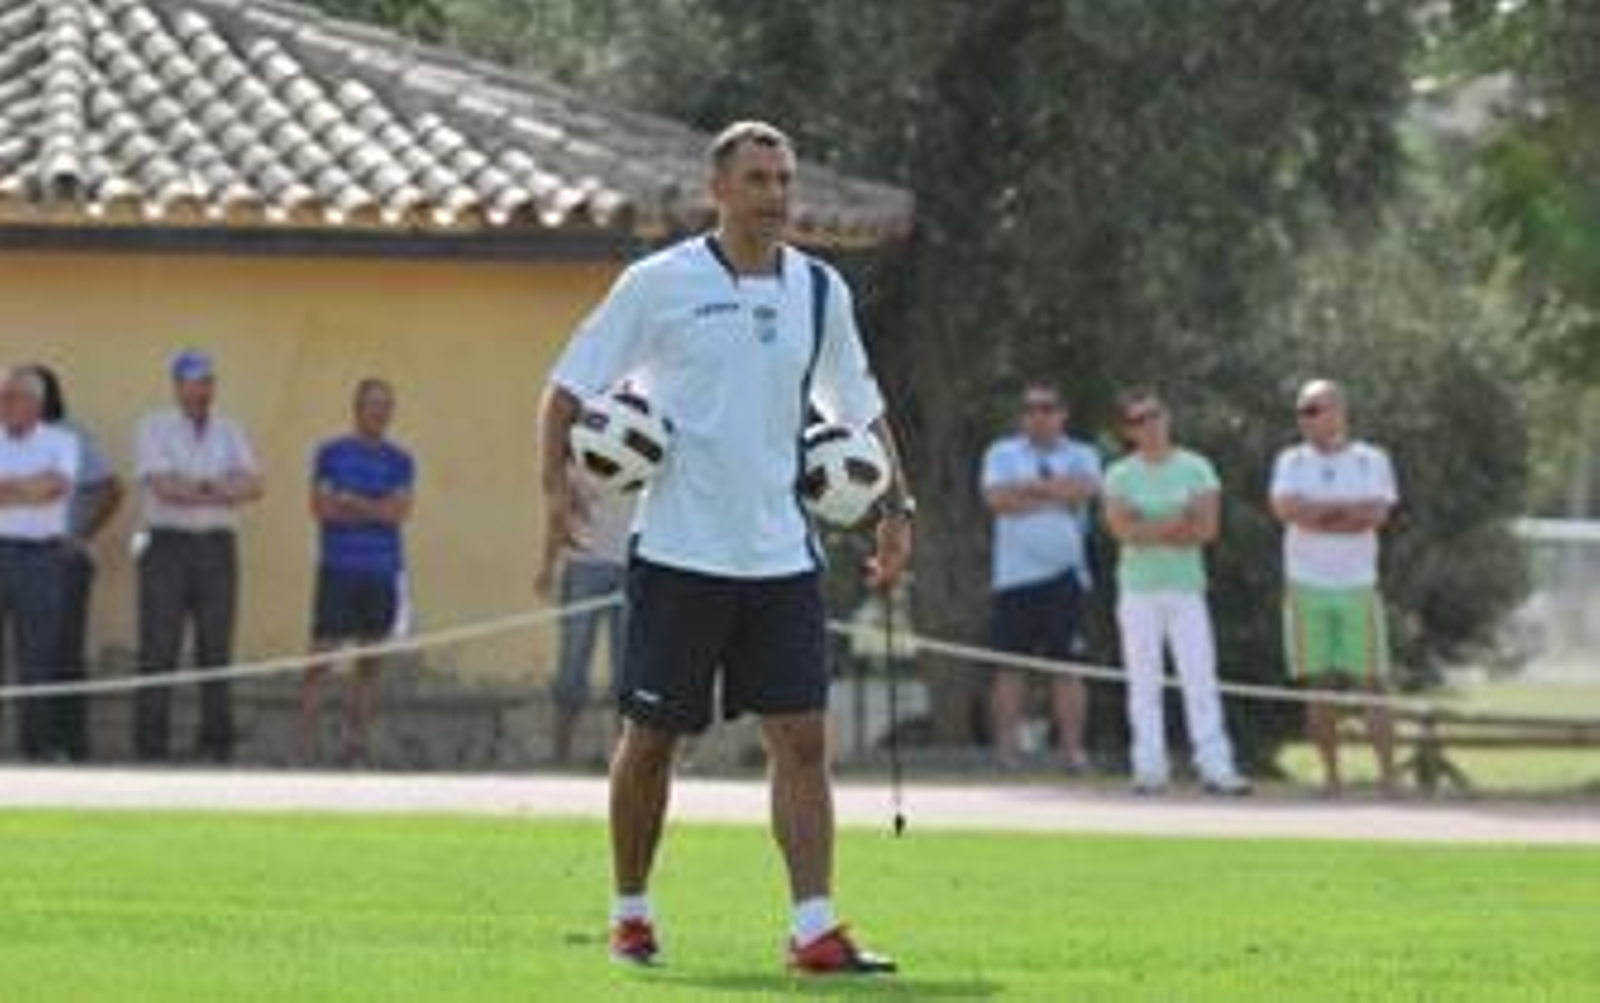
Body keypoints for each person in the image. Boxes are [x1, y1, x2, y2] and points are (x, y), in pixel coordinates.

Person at [538, 121, 913, 975]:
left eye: (784, 179)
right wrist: (552, 490)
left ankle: (813, 927)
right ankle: (631, 911)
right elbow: (565, 389)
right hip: (677, 556)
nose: (776, 195)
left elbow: (860, 407)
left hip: (783, 557)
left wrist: (899, 503)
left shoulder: (820, 291)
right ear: (720, 189)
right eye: (758, 179)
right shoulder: (657, 284)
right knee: (652, 739)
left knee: (804, 742)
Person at [1103, 387, 1249, 796]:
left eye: (1154, 416)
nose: (1148, 426)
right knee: (1143, 681)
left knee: (1200, 677)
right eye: (1138, 421)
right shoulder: (1119, 475)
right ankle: (1149, 769)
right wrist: (1176, 519)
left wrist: (1148, 524)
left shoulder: (1196, 468)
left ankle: (1216, 767)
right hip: (1138, 590)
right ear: (1128, 430)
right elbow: (1122, 531)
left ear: (1167, 419)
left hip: (1186, 589)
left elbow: (1204, 530)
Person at [1269, 379, 1400, 797]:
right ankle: (1331, 779)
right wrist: (1342, 511)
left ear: (1339, 412)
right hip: (1306, 584)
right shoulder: (1291, 460)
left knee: (1372, 683)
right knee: (1319, 685)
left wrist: (1319, 514)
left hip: (1358, 584)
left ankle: (1388, 780)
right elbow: (1288, 510)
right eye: (1301, 411)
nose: (1305, 419)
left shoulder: (1370, 459)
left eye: (1313, 409)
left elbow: (1375, 514)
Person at [134, 350, 263, 763]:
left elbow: (254, 485)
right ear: (176, 386)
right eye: (192, 382)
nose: (201, 391)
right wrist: (218, 489)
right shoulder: (153, 425)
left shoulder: (230, 429)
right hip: (167, 545)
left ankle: (217, 746)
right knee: (159, 648)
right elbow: (163, 487)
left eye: (207, 382)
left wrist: (196, 488)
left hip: (217, 547)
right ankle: (151, 750)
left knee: (216, 649)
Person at [981, 382, 1101, 772]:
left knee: (1068, 667)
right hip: (1014, 580)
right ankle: (1007, 752)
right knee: (1009, 668)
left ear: (1062, 413)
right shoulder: (1002, 452)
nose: (1039, 414)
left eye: (1048, 407)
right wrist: (1055, 493)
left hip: (1067, 578)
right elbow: (998, 500)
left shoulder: (1083, 454)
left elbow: (1085, 490)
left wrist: (1029, 490)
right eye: (1031, 408)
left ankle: (1072, 753)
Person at [297, 379, 415, 767]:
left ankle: (357, 749)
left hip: (381, 570)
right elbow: (322, 509)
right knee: (320, 660)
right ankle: (306, 750)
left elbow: (397, 513)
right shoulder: (331, 454)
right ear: (357, 408)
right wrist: (372, 508)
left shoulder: (401, 460)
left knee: (369, 665)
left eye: (386, 405)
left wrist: (352, 502)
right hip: (338, 568)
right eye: (373, 404)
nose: (380, 412)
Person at [31, 364, 124, 762]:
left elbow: (111, 488)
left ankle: (68, 743)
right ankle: (31, 744)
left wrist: (80, 535)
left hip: (59, 559)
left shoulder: (71, 435)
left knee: (62, 653)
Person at [0, 367, 79, 760]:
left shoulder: (61, 441)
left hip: (41, 557)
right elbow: (37, 488)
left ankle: (36, 748)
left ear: (35, 403)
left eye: (12, 396)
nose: (4, 404)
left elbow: (54, 486)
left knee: (38, 656)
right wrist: (27, 488)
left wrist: (10, 488)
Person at [535, 472, 634, 766]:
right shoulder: (578, 447)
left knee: (627, 668)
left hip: (632, 566)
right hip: (584, 564)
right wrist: (548, 563)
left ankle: (624, 757)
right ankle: (561, 753)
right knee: (573, 661)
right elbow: (559, 506)